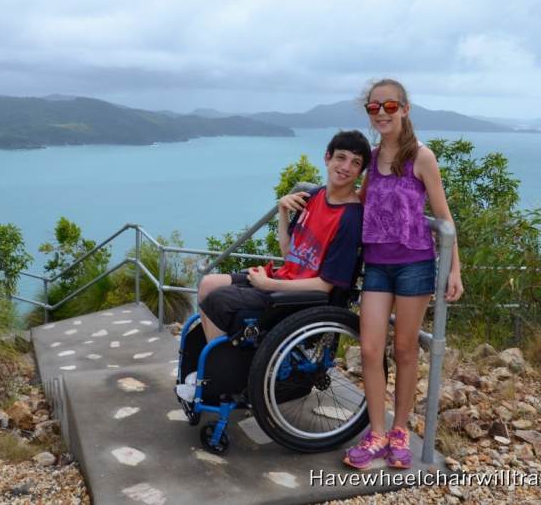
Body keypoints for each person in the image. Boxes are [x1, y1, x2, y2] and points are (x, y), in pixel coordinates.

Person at [343, 79, 464, 470]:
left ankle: (400, 430)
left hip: (414, 263)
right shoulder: (373, 159)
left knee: (407, 349)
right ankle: (376, 432)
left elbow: (444, 220)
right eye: (374, 107)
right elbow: (356, 204)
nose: (381, 113)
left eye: (389, 106)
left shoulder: (422, 157)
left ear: (406, 109)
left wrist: (454, 270)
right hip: (377, 263)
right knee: (370, 349)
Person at [196, 130, 371, 343]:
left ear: (360, 171)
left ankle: (219, 374)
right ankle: (211, 365)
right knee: (207, 283)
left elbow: (324, 286)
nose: (345, 167)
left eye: (355, 163)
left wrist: (269, 285)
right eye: (341, 157)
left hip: (298, 298)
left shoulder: (350, 218)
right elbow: (289, 253)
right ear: (327, 157)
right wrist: (282, 211)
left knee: (218, 300)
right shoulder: (314, 196)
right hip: (284, 279)